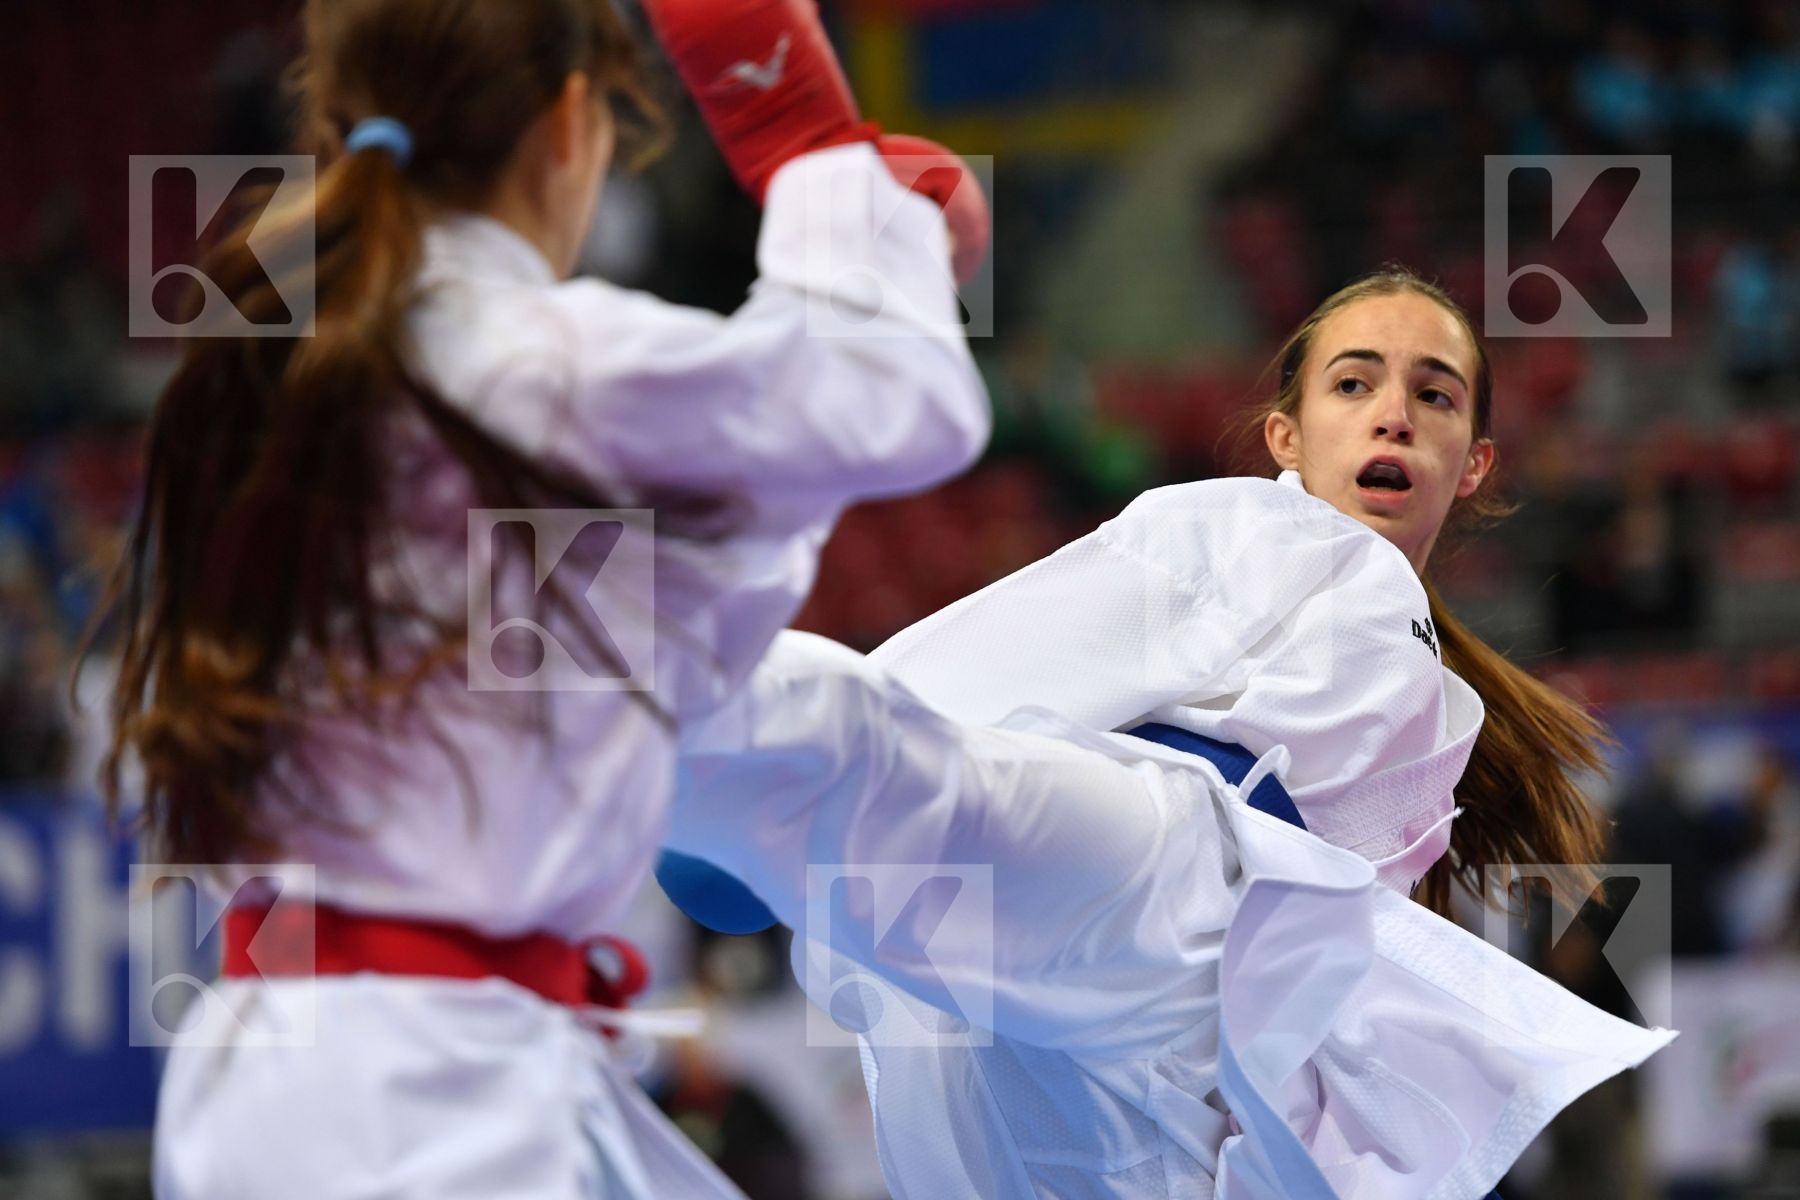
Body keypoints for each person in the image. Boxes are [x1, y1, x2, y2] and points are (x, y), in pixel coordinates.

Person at [97, 0, 991, 1196]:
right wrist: (809, 148)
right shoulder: (540, 360)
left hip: (335, 1061)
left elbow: (653, 625)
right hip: (415, 1093)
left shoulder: (288, 361)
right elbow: (903, 401)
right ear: (571, 125)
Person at [666, 269, 1676, 1198]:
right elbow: (1010, 649)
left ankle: (748, 775)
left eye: (1436, 395)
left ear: (1475, 463)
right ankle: (704, 735)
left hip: (1196, 1047)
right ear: (1287, 439)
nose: (1395, 414)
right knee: (948, 796)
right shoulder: (1239, 528)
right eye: (1354, 384)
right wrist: (793, 780)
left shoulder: (1442, 707)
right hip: (1165, 867)